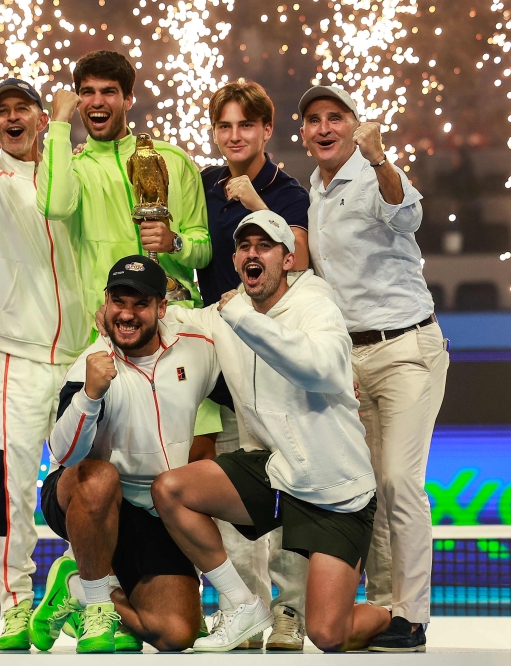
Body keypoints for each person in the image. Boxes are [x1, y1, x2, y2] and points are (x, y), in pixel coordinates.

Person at [151, 210, 390, 653]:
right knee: (170, 489)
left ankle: (396, 618)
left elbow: (322, 369)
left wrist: (242, 317)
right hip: (273, 470)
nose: (252, 254)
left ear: (288, 258)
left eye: (264, 246)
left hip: (334, 487)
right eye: (244, 247)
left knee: (327, 634)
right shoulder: (230, 310)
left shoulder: (314, 302)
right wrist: (122, 315)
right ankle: (242, 604)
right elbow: (174, 324)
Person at [0, 67, 89, 650]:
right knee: (14, 486)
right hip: (14, 361)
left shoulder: (70, 170)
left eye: (20, 107)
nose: (10, 117)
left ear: (37, 113)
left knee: (88, 484)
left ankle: (84, 596)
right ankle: (17, 601)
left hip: (81, 355)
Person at [298, 85, 448, 652]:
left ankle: (412, 614)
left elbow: (408, 215)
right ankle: (386, 608)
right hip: (353, 359)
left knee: (399, 481)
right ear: (304, 132)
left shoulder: (374, 171)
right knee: (374, 490)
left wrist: (382, 156)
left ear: (355, 125)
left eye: (335, 117)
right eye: (314, 119)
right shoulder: (316, 186)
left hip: (407, 348)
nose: (324, 127)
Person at [29, 256, 221, 653]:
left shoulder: (198, 349)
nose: (127, 314)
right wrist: (90, 395)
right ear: (106, 303)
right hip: (84, 496)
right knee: (100, 478)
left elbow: (242, 368)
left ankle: (78, 584)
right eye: (119, 302)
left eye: (140, 304)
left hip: (152, 510)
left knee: (177, 633)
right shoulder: (90, 364)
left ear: (161, 307)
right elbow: (62, 452)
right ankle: (99, 605)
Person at [198, 79, 312, 651]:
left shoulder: (287, 192)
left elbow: (302, 260)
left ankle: (291, 613)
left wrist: (253, 204)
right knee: (231, 497)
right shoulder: (202, 186)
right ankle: (245, 611)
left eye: (247, 125)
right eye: (225, 125)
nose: (235, 135)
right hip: (222, 367)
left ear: (267, 131)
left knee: (290, 490)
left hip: (281, 365)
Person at [35, 49, 212, 321]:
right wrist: (58, 123)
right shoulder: (74, 169)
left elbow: (204, 249)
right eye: (87, 92)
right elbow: (54, 207)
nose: (96, 102)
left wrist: (174, 242)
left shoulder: (173, 159)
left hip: (176, 317)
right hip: (111, 325)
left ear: (128, 99)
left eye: (108, 92)